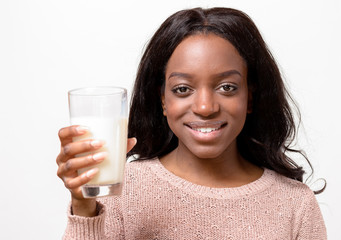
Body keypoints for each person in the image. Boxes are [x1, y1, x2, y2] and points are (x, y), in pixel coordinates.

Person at [57, 7, 327, 239]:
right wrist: (83, 207)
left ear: (251, 98)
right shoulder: (121, 190)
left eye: (227, 87)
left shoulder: (296, 205)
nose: (205, 107)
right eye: (183, 89)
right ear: (162, 100)